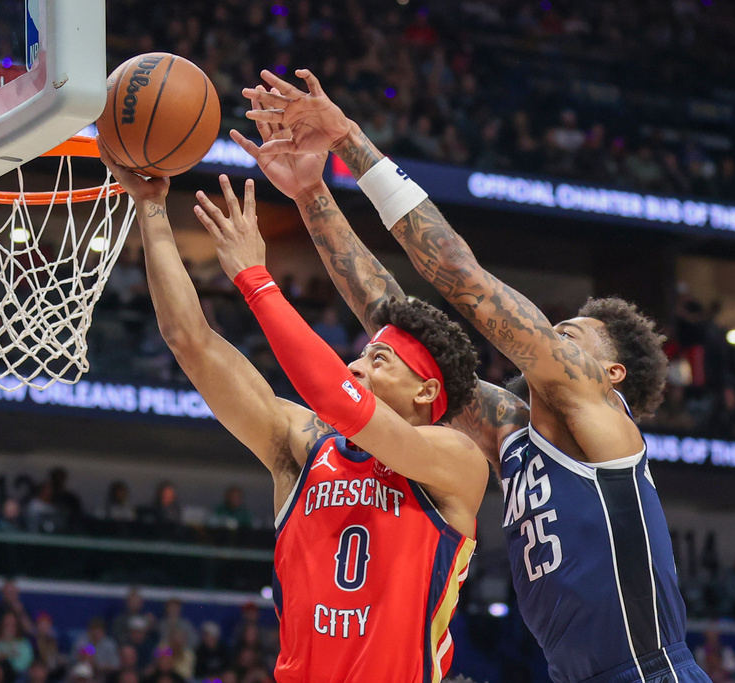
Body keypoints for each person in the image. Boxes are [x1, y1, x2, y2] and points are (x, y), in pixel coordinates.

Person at [241, 68, 707, 683]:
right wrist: (312, 197)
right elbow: (397, 327)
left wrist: (351, 139)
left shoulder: (598, 412)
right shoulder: (510, 431)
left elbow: (461, 273)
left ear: (610, 372)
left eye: (569, 335)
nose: (549, 336)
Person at [100, 141, 489, 682]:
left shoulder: (456, 461)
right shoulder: (301, 443)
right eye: (358, 354)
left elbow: (337, 399)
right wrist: (151, 207)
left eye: (379, 360)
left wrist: (256, 281)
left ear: (426, 392)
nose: (355, 366)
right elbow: (190, 341)